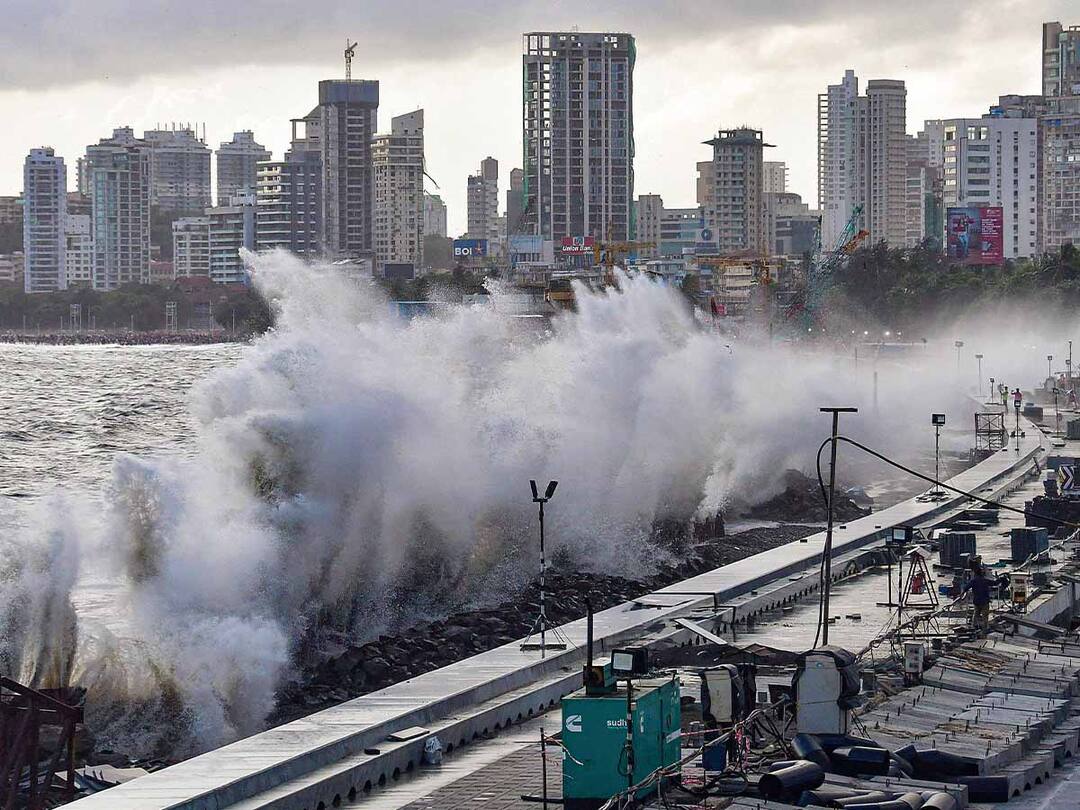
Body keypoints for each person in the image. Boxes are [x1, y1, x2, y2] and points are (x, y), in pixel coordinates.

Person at [964, 564, 992, 635]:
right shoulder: (985, 580)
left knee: (976, 615)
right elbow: (994, 583)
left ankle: (973, 629)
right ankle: (984, 630)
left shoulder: (973, 581)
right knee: (985, 616)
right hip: (985, 601)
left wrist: (962, 595)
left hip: (976, 601)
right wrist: (1000, 580)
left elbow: (966, 587)